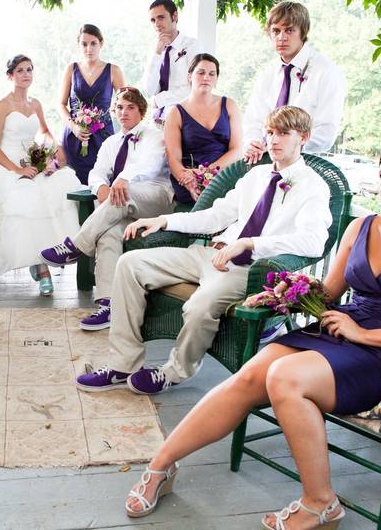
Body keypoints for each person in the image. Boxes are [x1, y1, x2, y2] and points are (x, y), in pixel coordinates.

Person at [120, 137, 381, 529]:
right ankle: (160, 467)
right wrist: (279, 296)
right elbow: (329, 293)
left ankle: (321, 503)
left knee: (284, 377)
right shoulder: (363, 225)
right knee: (250, 375)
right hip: (341, 330)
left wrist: (363, 335)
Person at [75, 106, 332, 396]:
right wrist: (165, 220)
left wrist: (250, 243)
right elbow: (215, 216)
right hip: (210, 254)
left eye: (284, 133)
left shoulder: (314, 186)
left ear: (304, 137)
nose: (274, 140)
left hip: (247, 269)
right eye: (271, 132)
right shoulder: (256, 176)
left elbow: (314, 241)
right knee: (130, 263)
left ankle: (173, 372)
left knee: (199, 304)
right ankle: (122, 365)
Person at [40, 86, 172, 327]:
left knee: (122, 192)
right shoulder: (111, 142)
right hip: (122, 204)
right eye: (120, 107)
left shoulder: (154, 136)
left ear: (141, 111)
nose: (124, 112)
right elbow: (97, 172)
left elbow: (150, 165)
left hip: (156, 198)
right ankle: (107, 305)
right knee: (108, 233)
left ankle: (75, 246)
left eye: (130, 107)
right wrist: (100, 187)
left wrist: (123, 179)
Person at [0, 55, 81, 295]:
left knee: (65, 182)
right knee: (27, 196)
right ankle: (42, 269)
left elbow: (44, 132)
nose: (26, 74)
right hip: (5, 162)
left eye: (29, 69)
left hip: (32, 159)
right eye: (20, 70)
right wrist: (17, 170)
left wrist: (54, 151)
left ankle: (59, 251)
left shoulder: (35, 104)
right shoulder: (3, 106)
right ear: (10, 75)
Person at [243, 0, 346, 165]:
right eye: (275, 31)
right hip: (264, 164)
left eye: (289, 30)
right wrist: (253, 143)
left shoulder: (326, 71)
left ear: (303, 32)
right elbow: (253, 121)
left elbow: (326, 133)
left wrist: (287, 146)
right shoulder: (268, 74)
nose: (281, 37)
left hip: (308, 165)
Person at [164, 54, 242, 206]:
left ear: (216, 79)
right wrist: (188, 181)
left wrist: (208, 173)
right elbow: (173, 158)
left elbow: (237, 149)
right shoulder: (175, 112)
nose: (206, 77)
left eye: (212, 74)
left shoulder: (229, 105)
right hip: (190, 177)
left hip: (224, 172)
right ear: (190, 76)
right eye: (201, 72)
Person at [57, 24, 127, 185]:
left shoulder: (113, 70)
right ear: (78, 45)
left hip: (103, 137)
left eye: (93, 43)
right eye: (84, 44)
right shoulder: (71, 69)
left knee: (102, 182)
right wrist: (74, 127)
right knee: (74, 185)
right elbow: (61, 104)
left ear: (101, 43)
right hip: (74, 135)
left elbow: (125, 103)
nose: (89, 48)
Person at [140, 0, 202, 124]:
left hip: (184, 120)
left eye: (161, 17)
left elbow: (195, 87)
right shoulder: (153, 50)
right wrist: (157, 54)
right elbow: (148, 90)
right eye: (153, 20)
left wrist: (159, 100)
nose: (156, 24)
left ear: (174, 16)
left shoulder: (192, 46)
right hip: (156, 123)